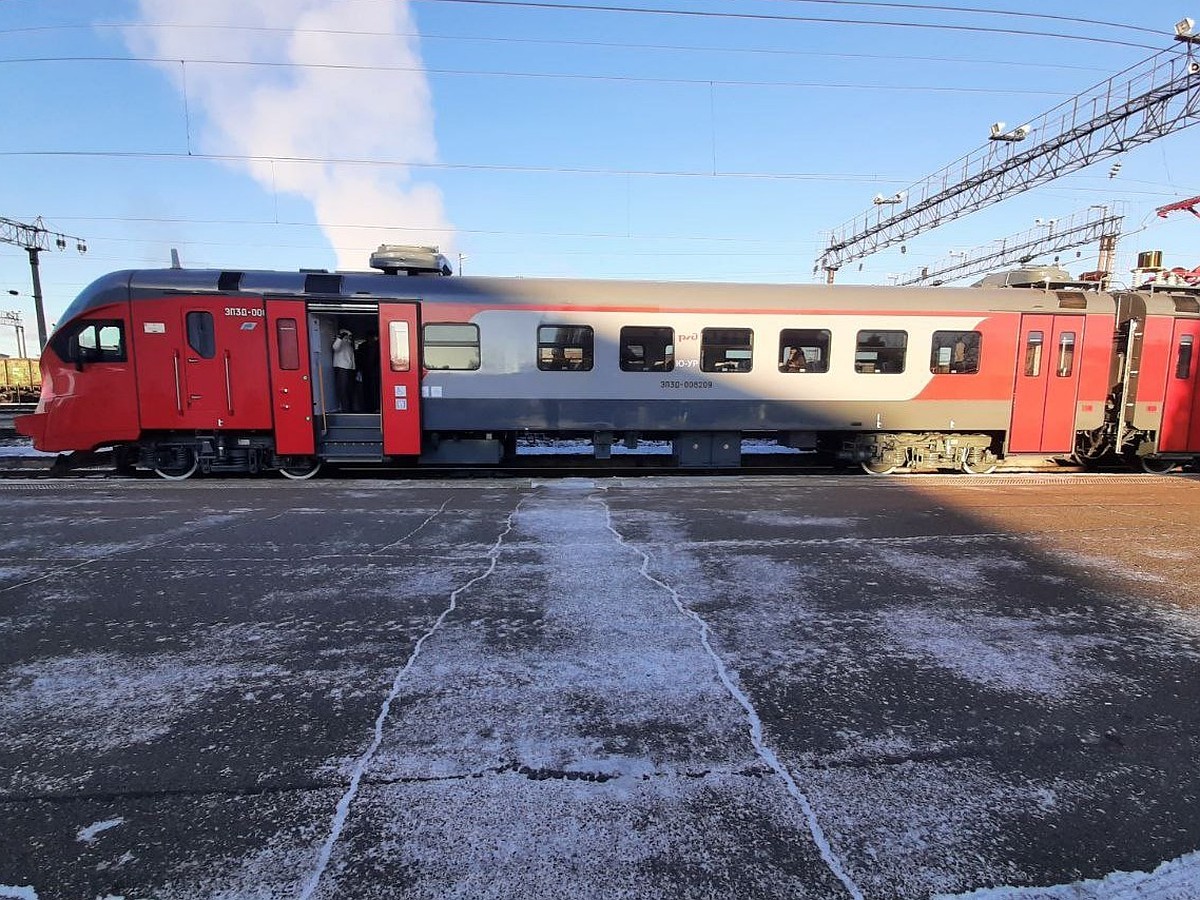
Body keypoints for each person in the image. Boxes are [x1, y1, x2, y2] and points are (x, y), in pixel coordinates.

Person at [332, 328, 356, 412]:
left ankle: (349, 408)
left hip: (349, 368)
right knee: (343, 389)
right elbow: (335, 347)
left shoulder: (349, 344)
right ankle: (345, 409)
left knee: (349, 389)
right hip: (342, 368)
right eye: (348, 335)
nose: (349, 337)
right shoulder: (340, 342)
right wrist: (340, 338)